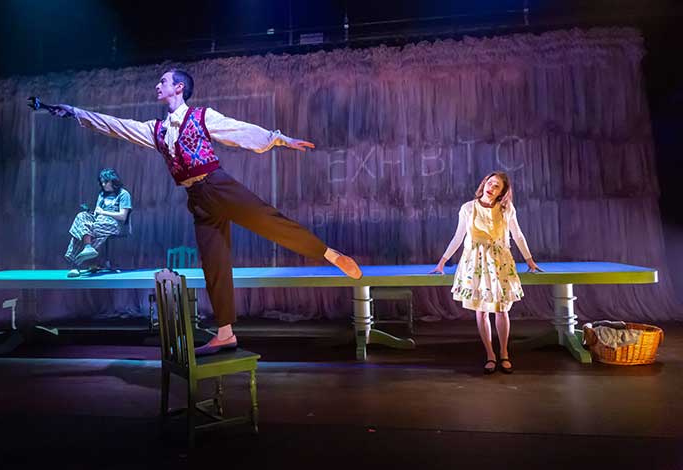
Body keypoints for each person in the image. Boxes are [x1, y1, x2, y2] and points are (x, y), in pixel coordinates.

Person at [35, 68, 362, 354]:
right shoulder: (156, 129)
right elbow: (117, 125)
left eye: (163, 81)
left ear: (179, 88)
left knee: (268, 221)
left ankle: (328, 253)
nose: (157, 86)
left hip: (218, 185)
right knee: (214, 263)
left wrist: (279, 140)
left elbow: (240, 131)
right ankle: (225, 334)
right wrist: (75, 113)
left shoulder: (202, 116)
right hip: (198, 198)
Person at [430, 171, 541, 374]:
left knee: (501, 308)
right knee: (481, 310)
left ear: (502, 192)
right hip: (476, 263)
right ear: (484, 184)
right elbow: (458, 237)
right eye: (490, 183)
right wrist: (442, 262)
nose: (492, 187)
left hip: (499, 262)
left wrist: (529, 260)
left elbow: (517, 235)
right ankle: (490, 353)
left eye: (497, 186)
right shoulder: (468, 208)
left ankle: (504, 352)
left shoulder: (506, 209)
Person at [65, 168, 132, 277]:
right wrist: (92, 213)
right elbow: (97, 213)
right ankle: (88, 248)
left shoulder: (123, 194)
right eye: (102, 182)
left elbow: (123, 216)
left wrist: (103, 212)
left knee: (86, 230)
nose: (103, 184)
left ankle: (76, 265)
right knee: (81, 217)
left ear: (113, 180)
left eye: (106, 182)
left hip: (114, 224)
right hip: (99, 222)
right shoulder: (102, 194)